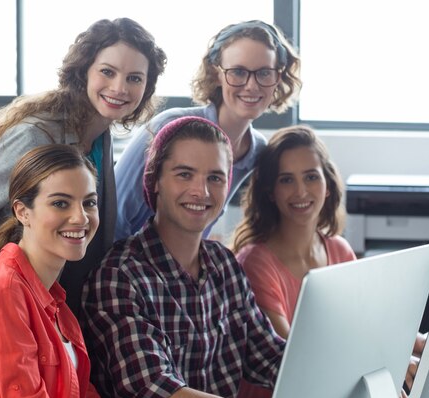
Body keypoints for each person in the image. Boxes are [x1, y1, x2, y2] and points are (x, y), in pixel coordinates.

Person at [0, 17, 167, 381]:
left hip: (42, 314)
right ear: (84, 72)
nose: (120, 87)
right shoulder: (36, 136)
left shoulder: (99, 135)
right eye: (108, 71)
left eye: (135, 78)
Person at [82, 116, 285, 398]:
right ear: (154, 181)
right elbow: (158, 396)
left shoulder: (225, 265)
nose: (201, 192)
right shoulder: (120, 275)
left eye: (215, 178)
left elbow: (269, 356)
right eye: (184, 174)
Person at [0, 144, 127, 398]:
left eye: (89, 202)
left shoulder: (52, 297)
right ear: (22, 212)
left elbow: (75, 392)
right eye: (60, 203)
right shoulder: (1, 293)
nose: (80, 217)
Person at [114, 19, 301, 241]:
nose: (252, 85)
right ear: (216, 74)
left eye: (264, 73)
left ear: (278, 77)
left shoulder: (256, 150)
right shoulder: (168, 127)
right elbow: (114, 215)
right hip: (124, 265)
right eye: (238, 72)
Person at [230, 125, 356, 398]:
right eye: (286, 180)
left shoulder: (339, 250)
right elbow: (291, 359)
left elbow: (357, 329)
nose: (301, 191)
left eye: (311, 176)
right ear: (270, 191)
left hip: (329, 393)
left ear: (327, 184)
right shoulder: (255, 263)